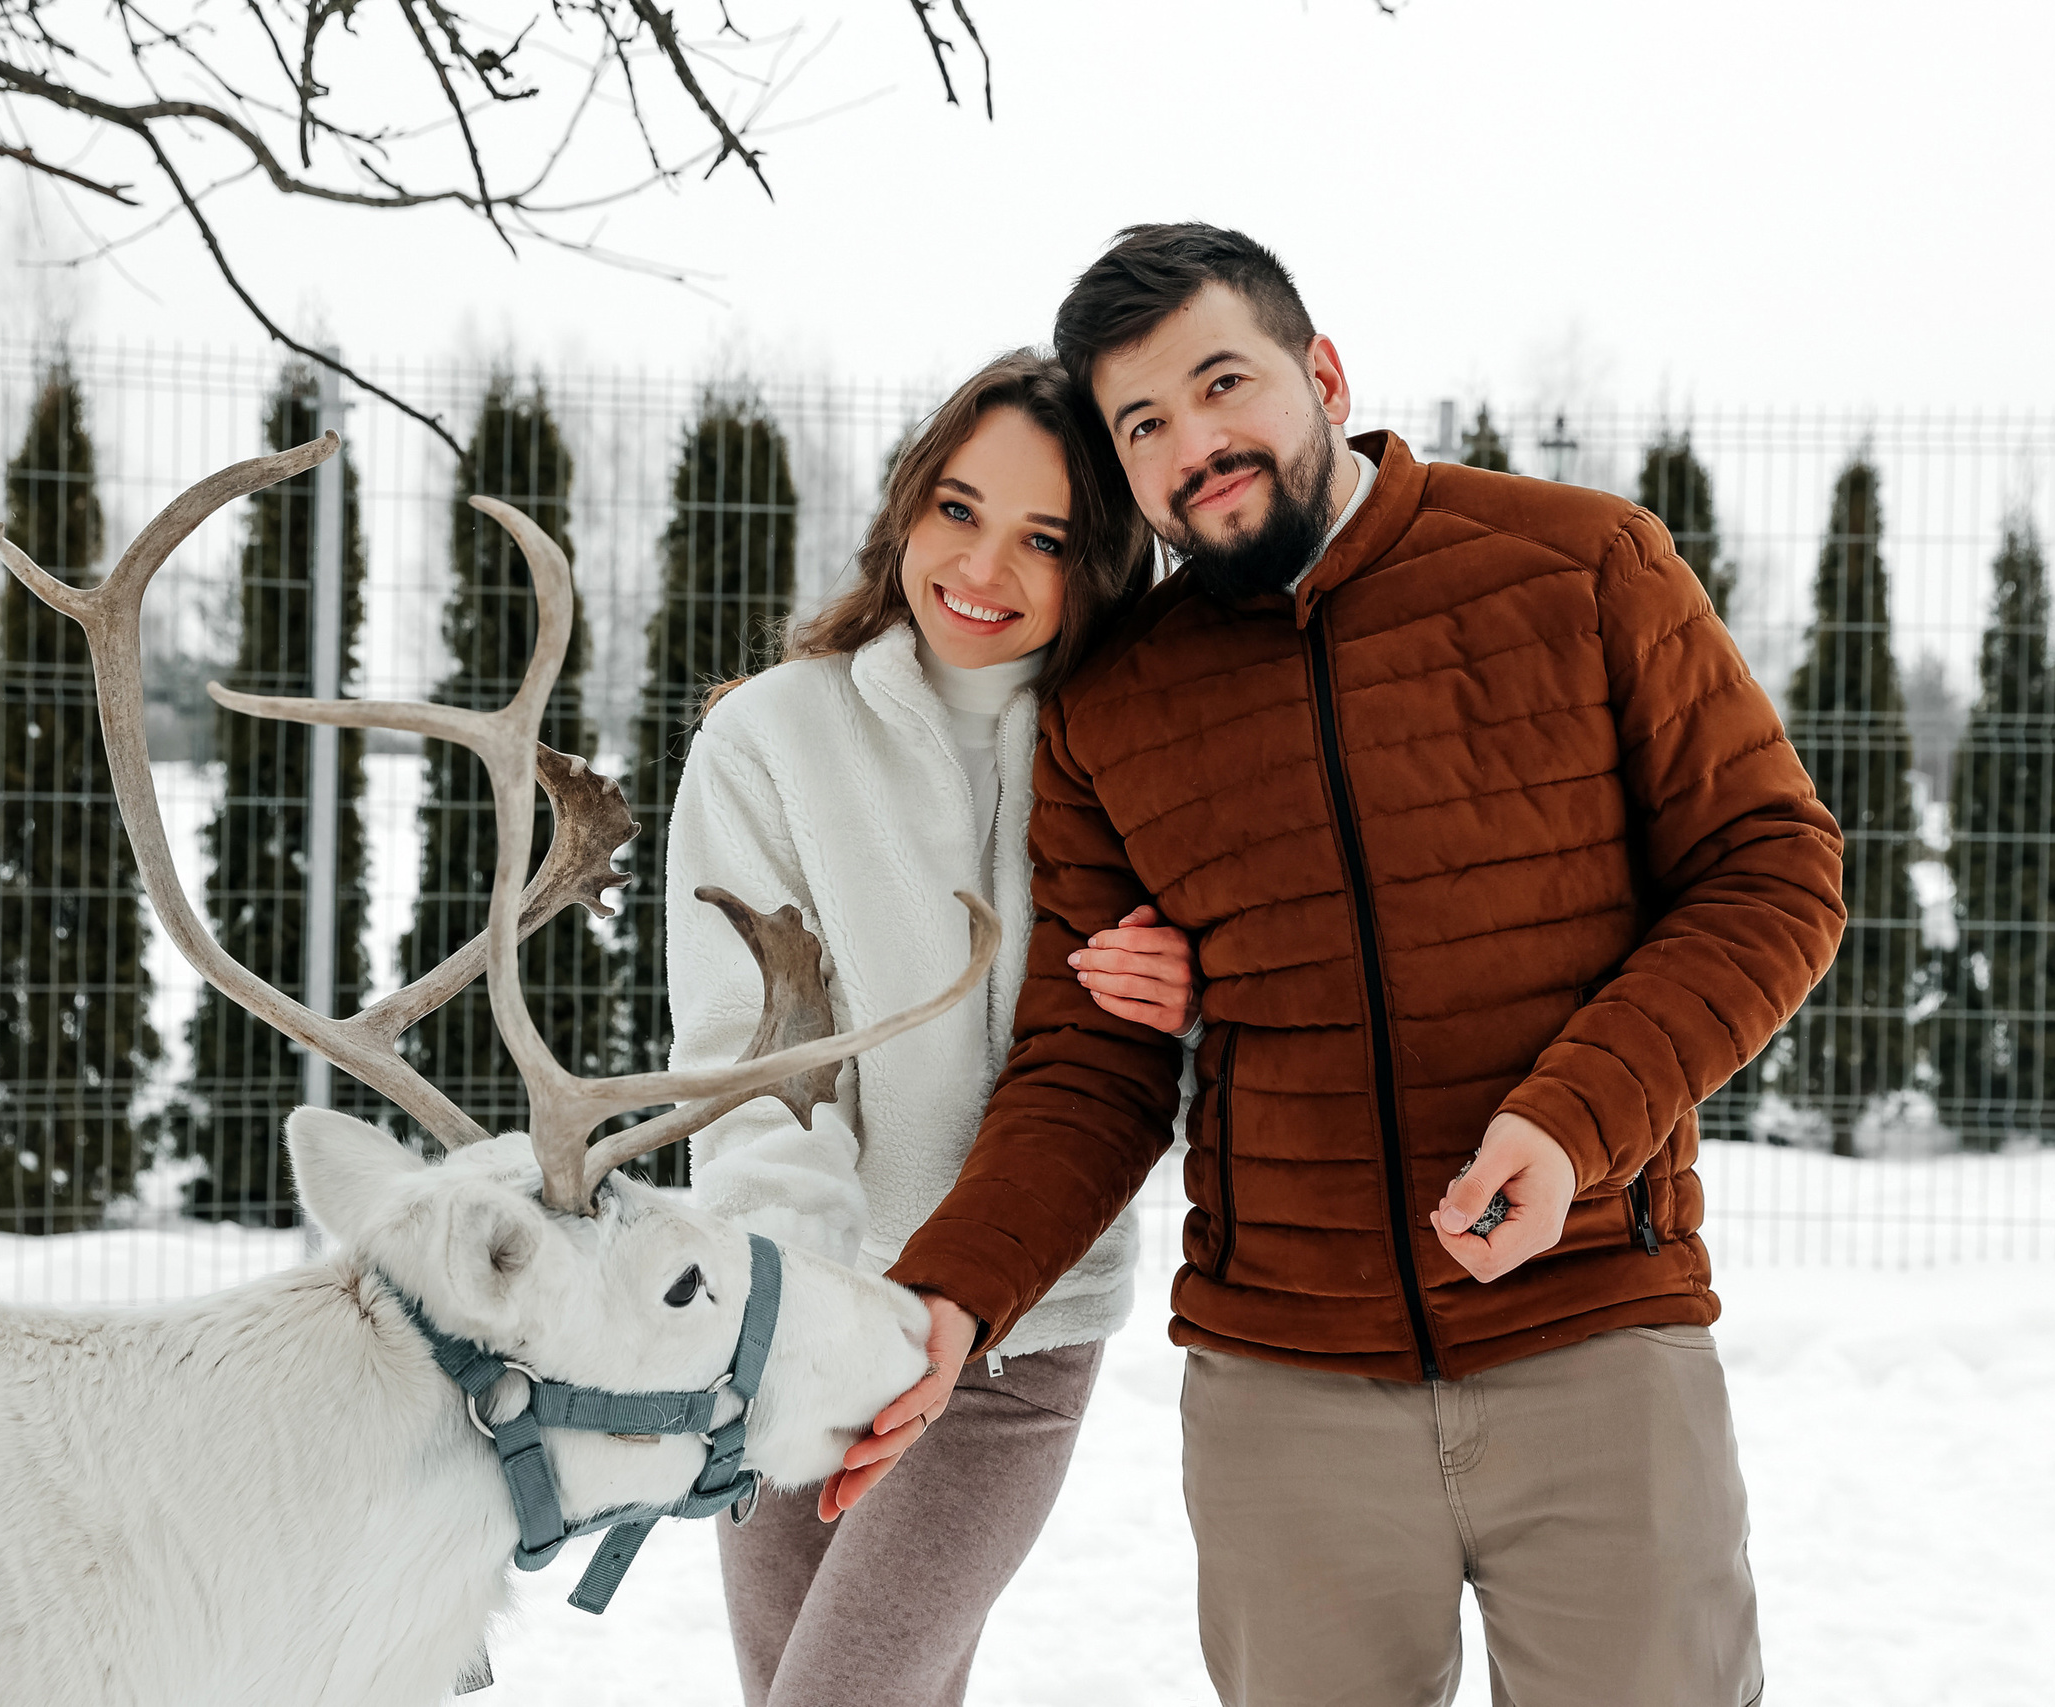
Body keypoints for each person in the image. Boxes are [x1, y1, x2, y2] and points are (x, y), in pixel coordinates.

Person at [845, 226, 1847, 1707]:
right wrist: (953, 1295)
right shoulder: (1113, 706)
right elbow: (1089, 1064)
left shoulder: (1578, 568)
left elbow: (1773, 869)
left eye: (1222, 382)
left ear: (1322, 370)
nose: (1195, 444)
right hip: (1283, 1398)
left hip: (1594, 1341)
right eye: (1144, 425)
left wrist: (1573, 1127)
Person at [662, 349, 1196, 1707]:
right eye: (958, 509)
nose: (983, 566)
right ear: (907, 506)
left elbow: (1179, 1058)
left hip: (1014, 1338)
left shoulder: (1144, 755)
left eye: (1046, 538)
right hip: (798, 1322)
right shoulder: (770, 738)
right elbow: (749, 1050)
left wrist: (1194, 1002)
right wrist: (784, 1304)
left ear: (1108, 563)